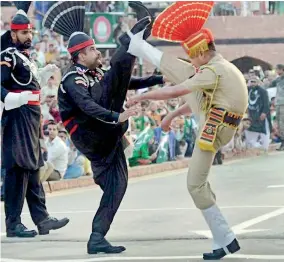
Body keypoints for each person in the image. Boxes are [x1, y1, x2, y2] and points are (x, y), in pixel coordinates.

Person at [125, 2, 247, 259]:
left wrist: (140, 98)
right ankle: (140, 46)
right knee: (183, 73)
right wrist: (171, 114)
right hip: (218, 120)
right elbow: (198, 101)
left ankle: (225, 239)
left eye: (192, 56)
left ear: (202, 52)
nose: (192, 62)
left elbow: (176, 90)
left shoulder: (212, 71)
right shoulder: (221, 68)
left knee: (194, 185)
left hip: (215, 129)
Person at [42, 1, 163, 254]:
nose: (98, 52)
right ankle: (128, 39)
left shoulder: (96, 73)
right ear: (81, 55)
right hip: (90, 133)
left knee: (118, 185)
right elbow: (87, 106)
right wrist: (117, 117)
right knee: (115, 73)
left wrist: (161, 78)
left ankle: (97, 236)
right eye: (93, 49)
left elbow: (123, 82)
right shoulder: (72, 78)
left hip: (106, 138)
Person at [0, 3, 69, 238]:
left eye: (30, 32)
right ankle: (13, 223)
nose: (28, 36)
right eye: (23, 32)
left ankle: (42, 219)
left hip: (31, 118)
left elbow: (29, 83)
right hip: (16, 118)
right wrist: (10, 98)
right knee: (17, 170)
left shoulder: (26, 57)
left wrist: (43, 74)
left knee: (33, 169)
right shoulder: (7, 56)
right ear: (13, 34)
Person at [269, 64, 284, 150]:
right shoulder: (278, 79)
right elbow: (269, 85)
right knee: (279, 123)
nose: (277, 72)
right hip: (278, 103)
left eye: (278, 70)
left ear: (282, 70)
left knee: (282, 123)